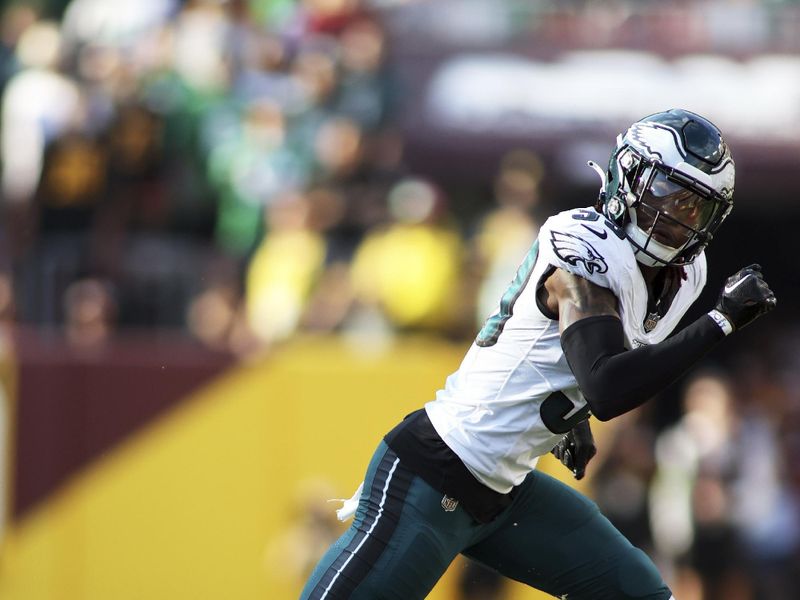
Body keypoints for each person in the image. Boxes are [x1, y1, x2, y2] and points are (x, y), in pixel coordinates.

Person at [300, 109, 776, 600]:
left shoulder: (685, 274)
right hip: (437, 470)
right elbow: (606, 384)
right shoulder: (581, 250)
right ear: (629, 176)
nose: (679, 216)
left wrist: (573, 418)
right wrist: (719, 322)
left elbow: (575, 353)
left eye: (696, 206)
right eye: (667, 194)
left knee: (638, 593)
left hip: (507, 490)